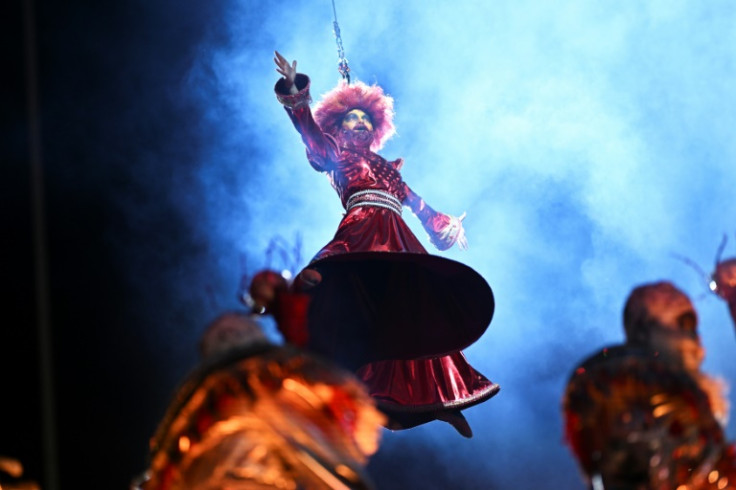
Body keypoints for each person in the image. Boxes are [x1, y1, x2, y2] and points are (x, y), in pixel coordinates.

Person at [273, 52, 498, 437]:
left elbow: (418, 204)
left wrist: (445, 225)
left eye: (365, 118)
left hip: (397, 230)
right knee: (339, 266)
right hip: (363, 221)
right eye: (352, 118)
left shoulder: (388, 168)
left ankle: (442, 397)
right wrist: (296, 95)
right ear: (340, 127)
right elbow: (310, 133)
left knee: (418, 304)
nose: (359, 122)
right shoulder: (336, 152)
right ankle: (314, 304)